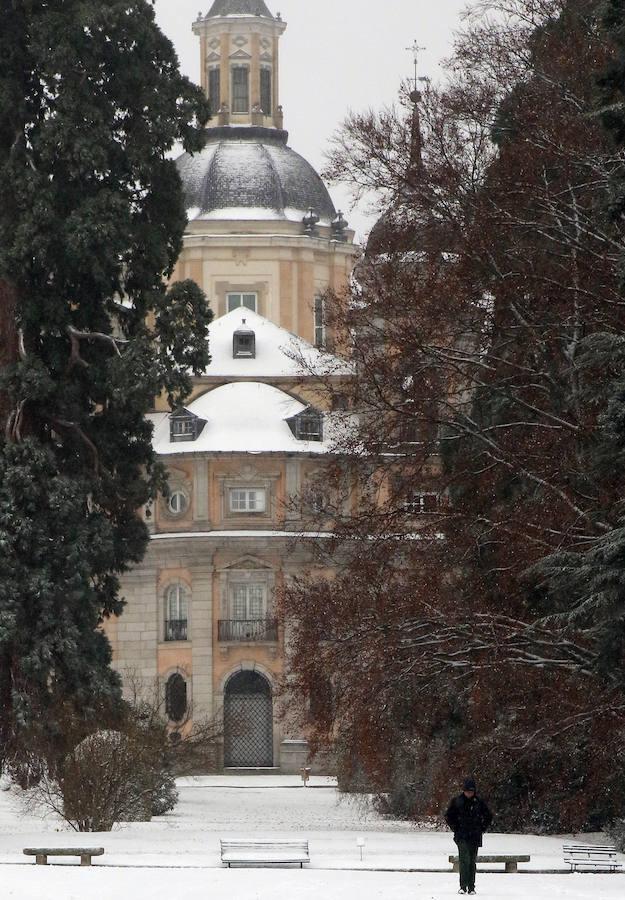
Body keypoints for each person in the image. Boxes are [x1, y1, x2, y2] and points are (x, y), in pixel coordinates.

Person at [445, 777, 492, 894]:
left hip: (475, 836)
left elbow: (488, 816)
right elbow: (449, 816)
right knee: (464, 860)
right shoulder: (457, 801)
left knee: (471, 861)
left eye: (471, 791)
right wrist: (456, 828)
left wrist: (481, 828)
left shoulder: (479, 802)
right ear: (463, 790)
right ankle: (463, 886)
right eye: (467, 791)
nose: (469, 794)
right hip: (461, 836)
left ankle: (471, 886)